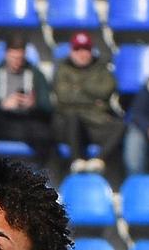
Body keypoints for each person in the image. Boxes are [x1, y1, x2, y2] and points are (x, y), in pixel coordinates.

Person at [53, 32, 125, 175]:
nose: (82, 54)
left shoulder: (101, 67)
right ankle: (76, 162)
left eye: (85, 49)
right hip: (70, 124)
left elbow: (107, 90)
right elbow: (63, 97)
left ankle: (98, 160)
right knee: (72, 117)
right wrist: (93, 99)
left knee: (121, 126)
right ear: (71, 51)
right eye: (77, 49)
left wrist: (78, 87)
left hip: (95, 121)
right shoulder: (62, 68)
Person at [0, 39, 55, 163]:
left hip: (27, 123)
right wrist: (2, 105)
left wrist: (34, 104)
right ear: (6, 54)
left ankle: (46, 170)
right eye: (13, 57)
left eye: (19, 58)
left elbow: (48, 106)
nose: (16, 62)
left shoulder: (36, 75)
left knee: (45, 133)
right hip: (2, 122)